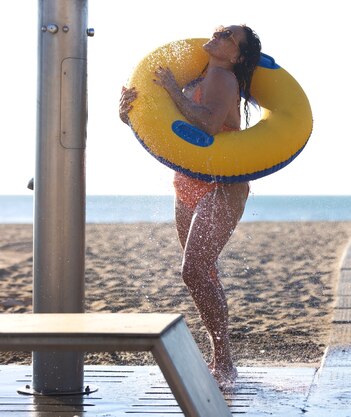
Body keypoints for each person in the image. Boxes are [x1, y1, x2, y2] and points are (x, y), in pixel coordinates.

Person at [119, 24, 262, 388]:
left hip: (221, 184)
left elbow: (209, 123)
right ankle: (221, 358)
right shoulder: (192, 79)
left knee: (194, 269)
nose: (218, 34)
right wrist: (130, 113)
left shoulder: (225, 78)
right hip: (186, 183)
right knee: (203, 271)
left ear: (238, 55)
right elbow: (163, 123)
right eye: (219, 30)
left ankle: (223, 360)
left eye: (228, 35)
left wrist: (170, 90)